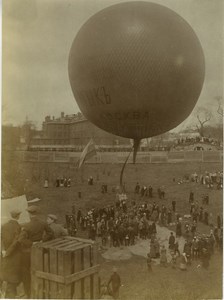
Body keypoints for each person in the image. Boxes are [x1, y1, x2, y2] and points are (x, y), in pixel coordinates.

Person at [18, 205, 54, 298]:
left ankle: (28, 293)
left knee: (26, 272)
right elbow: (50, 233)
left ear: (29, 214)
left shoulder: (27, 226)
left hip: (28, 252)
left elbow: (21, 239)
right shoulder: (43, 223)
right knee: (40, 270)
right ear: (37, 213)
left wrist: (31, 243)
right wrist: (42, 241)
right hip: (39, 251)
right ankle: (41, 291)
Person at [1, 209, 22, 298]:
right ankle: (10, 295)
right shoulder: (18, 227)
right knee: (13, 275)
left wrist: (3, 250)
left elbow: (1, 239)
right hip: (14, 254)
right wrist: (8, 252)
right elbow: (16, 241)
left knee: (4, 271)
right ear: (18, 216)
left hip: (4, 253)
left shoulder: (4, 225)